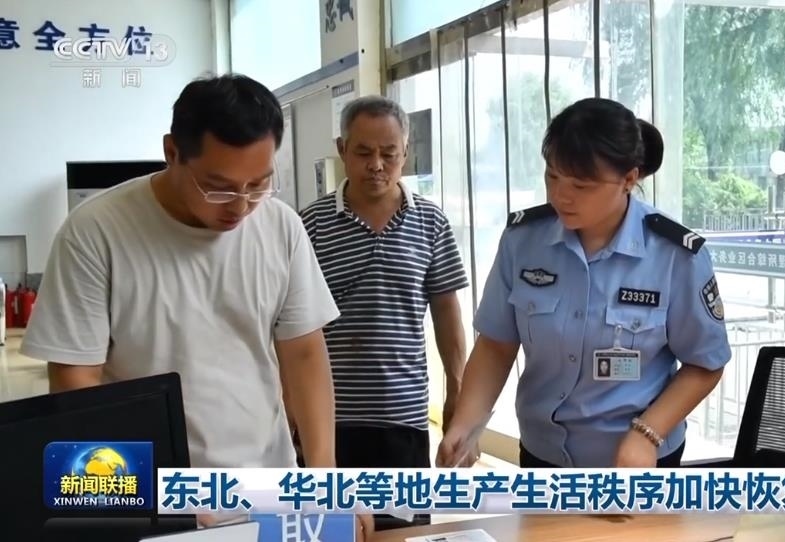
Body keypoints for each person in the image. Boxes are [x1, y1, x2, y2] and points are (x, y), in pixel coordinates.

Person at [19, 74, 373, 538]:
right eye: (218, 187)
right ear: (172, 153)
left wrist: (325, 479)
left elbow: (304, 354)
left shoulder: (280, 227)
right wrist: (141, 498)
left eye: (259, 184)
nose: (241, 206)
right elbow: (75, 386)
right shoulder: (95, 233)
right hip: (155, 496)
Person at [436, 98, 731, 470]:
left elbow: (705, 363)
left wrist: (648, 432)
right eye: (552, 177)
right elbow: (496, 345)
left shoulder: (675, 255)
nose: (561, 195)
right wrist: (465, 425)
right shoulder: (523, 241)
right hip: (543, 453)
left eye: (581, 185)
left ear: (629, 179)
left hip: (636, 460)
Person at [299, 96, 468, 528]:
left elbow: (447, 314)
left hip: (402, 419)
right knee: (332, 530)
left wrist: (457, 392)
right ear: (341, 149)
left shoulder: (430, 222)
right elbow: (290, 330)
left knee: (402, 531)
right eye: (363, 152)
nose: (377, 165)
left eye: (389, 154)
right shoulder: (309, 225)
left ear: (405, 153)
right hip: (329, 421)